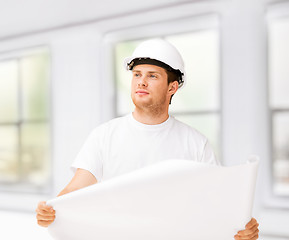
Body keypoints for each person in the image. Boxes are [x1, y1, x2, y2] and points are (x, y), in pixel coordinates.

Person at [36, 39, 259, 239]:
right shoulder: (105, 135)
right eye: (137, 74)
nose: (141, 82)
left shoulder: (195, 143)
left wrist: (242, 229)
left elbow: (217, 202)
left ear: (172, 87)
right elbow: (74, 190)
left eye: (152, 76)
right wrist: (52, 209)